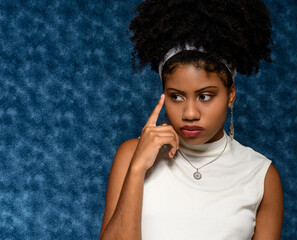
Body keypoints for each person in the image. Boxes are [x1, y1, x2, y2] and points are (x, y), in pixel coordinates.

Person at [99, 0, 283, 239]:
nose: (189, 113)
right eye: (176, 97)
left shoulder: (261, 176)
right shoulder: (131, 155)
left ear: (230, 95)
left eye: (205, 96)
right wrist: (136, 170)